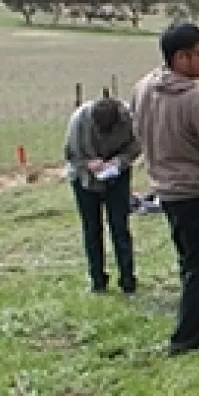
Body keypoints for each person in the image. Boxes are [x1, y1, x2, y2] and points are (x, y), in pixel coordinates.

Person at [132, 22, 199, 355]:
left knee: (190, 261)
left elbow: (138, 129)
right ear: (180, 58)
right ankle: (186, 336)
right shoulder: (194, 101)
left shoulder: (142, 88)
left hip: (166, 190)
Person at [64, 96, 141, 294]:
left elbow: (136, 146)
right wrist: (89, 164)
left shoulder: (129, 118)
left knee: (120, 227)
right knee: (92, 229)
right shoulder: (79, 121)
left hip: (117, 177)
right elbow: (70, 155)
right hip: (84, 180)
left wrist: (118, 162)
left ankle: (128, 281)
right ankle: (97, 281)